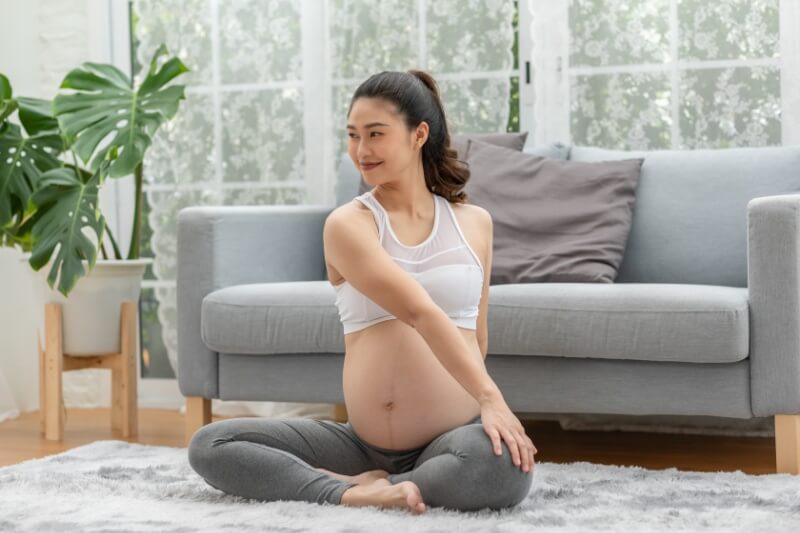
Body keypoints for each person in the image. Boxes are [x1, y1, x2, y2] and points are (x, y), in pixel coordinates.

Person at [188, 70, 537, 514]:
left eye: (376, 134)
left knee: (503, 468)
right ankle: (354, 490)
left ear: (418, 135)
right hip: (360, 443)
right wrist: (493, 398)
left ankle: (377, 486)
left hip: (449, 438)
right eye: (353, 135)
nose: (361, 150)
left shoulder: (475, 224)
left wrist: (485, 407)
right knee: (212, 443)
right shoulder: (349, 224)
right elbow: (418, 310)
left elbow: (478, 337)